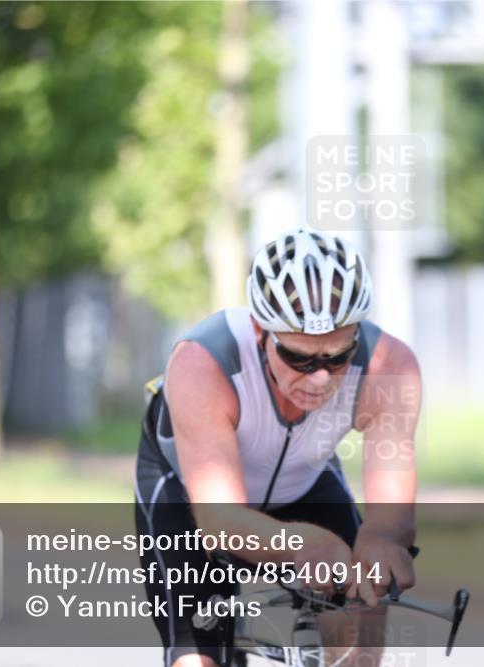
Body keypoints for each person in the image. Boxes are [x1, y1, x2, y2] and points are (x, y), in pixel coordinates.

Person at [135, 229, 421, 667]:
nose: (319, 379)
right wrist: (305, 543)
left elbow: (391, 512)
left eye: (336, 357)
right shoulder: (202, 363)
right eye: (299, 358)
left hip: (304, 478)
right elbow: (219, 520)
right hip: (191, 493)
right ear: (259, 330)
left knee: (361, 622)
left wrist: (382, 538)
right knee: (196, 659)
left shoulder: (390, 368)